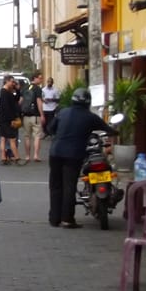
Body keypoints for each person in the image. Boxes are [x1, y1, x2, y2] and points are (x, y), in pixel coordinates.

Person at [46, 88, 118, 229]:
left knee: (55, 186)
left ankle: (54, 219)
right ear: (88, 102)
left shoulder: (63, 112)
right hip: (73, 155)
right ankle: (67, 219)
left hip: (55, 153)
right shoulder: (90, 117)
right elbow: (108, 129)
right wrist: (115, 131)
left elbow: (50, 129)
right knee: (69, 186)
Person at [20, 73, 45, 163]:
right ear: (35, 78)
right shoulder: (37, 89)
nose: (41, 80)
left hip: (26, 116)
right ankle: (36, 155)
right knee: (37, 136)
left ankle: (27, 156)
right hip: (35, 116)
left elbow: (20, 102)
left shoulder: (25, 88)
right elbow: (39, 102)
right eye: (40, 78)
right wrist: (42, 114)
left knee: (27, 137)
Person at [0, 75, 21, 165]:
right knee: (12, 139)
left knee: (3, 138)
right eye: (11, 81)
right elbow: (6, 107)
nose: (13, 83)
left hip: (3, 119)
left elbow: (16, 99)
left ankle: (4, 157)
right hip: (7, 120)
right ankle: (16, 157)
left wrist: (17, 90)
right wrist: (11, 119)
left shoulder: (8, 92)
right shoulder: (4, 92)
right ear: (6, 81)